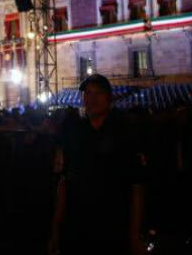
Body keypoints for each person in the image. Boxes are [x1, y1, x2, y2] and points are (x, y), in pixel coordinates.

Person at [49, 74, 145, 255]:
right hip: (77, 227)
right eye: (88, 94)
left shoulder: (125, 133)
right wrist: (56, 227)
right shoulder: (75, 133)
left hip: (113, 227)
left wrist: (134, 235)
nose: (92, 99)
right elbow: (64, 183)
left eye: (98, 93)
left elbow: (137, 187)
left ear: (109, 98)